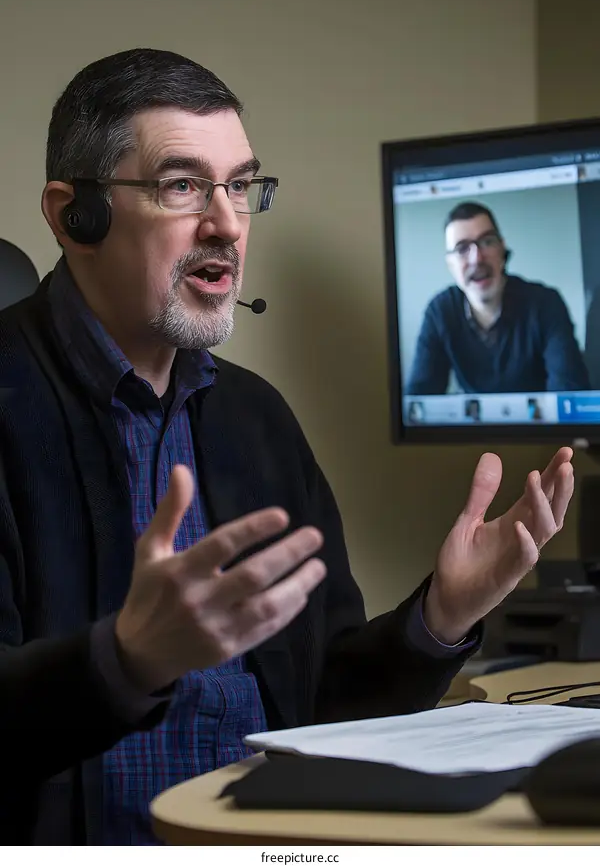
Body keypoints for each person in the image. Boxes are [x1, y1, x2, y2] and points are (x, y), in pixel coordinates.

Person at [0, 49, 574, 844]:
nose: (228, 224)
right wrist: (124, 660)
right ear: (73, 215)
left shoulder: (255, 417)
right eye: (183, 186)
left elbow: (325, 704)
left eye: (239, 186)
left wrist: (442, 616)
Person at [407, 201, 591, 395]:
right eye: (462, 249)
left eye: (487, 242)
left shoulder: (546, 304)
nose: (476, 259)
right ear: (450, 265)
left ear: (502, 250)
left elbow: (571, 395)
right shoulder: (440, 312)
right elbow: (419, 400)